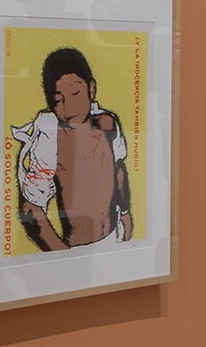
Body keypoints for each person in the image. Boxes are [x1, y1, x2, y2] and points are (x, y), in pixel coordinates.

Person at [12, 47, 132, 251]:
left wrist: (126, 212)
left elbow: (118, 168)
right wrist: (61, 255)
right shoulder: (51, 137)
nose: (68, 108)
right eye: (58, 100)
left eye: (75, 93)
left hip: (115, 236)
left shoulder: (107, 123)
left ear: (91, 89)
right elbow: (31, 208)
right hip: (77, 249)